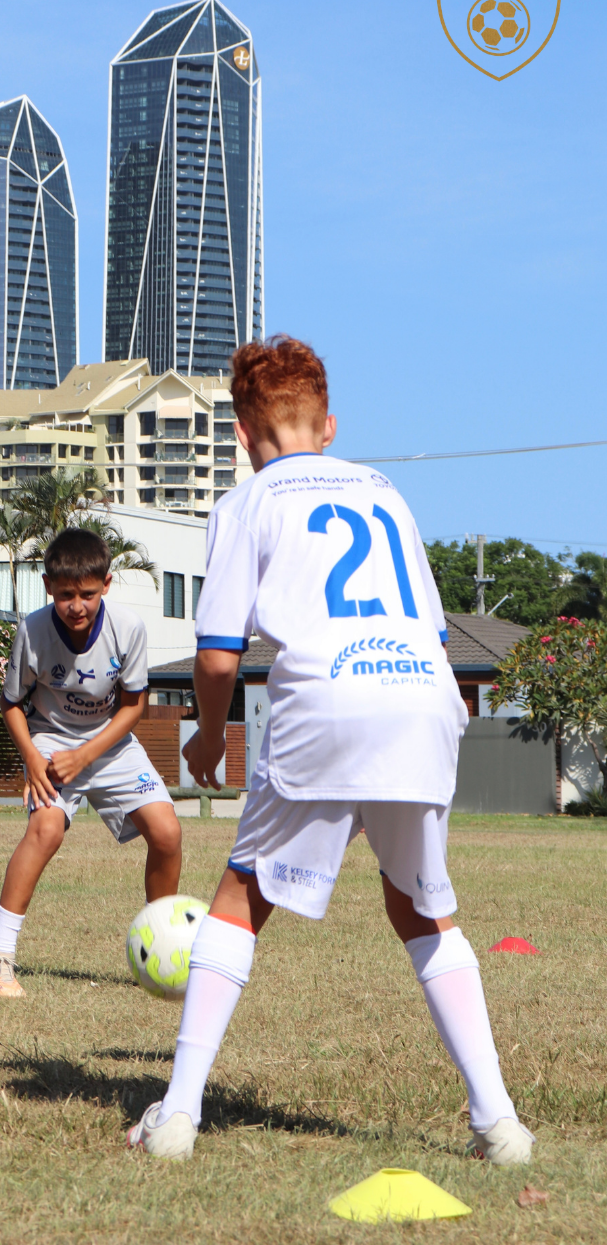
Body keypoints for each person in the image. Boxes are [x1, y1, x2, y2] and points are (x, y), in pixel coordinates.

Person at [128, 336, 533, 1166]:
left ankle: (175, 1116)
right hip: (426, 692)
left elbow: (215, 655)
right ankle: (499, 1122)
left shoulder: (248, 502)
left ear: (242, 434)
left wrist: (208, 732)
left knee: (239, 898)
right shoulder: (385, 489)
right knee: (423, 908)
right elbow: (426, 619)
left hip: (327, 696)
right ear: (330, 424)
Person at [0, 527, 183, 998]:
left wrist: (87, 754)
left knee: (167, 833)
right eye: (65, 594)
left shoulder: (128, 628)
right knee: (45, 830)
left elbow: (134, 706)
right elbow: (11, 703)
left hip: (110, 742)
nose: (77, 605)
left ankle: (160, 952)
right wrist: (31, 756)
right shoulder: (32, 630)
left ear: (106, 585)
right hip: (49, 740)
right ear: (48, 587)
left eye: (88, 594)